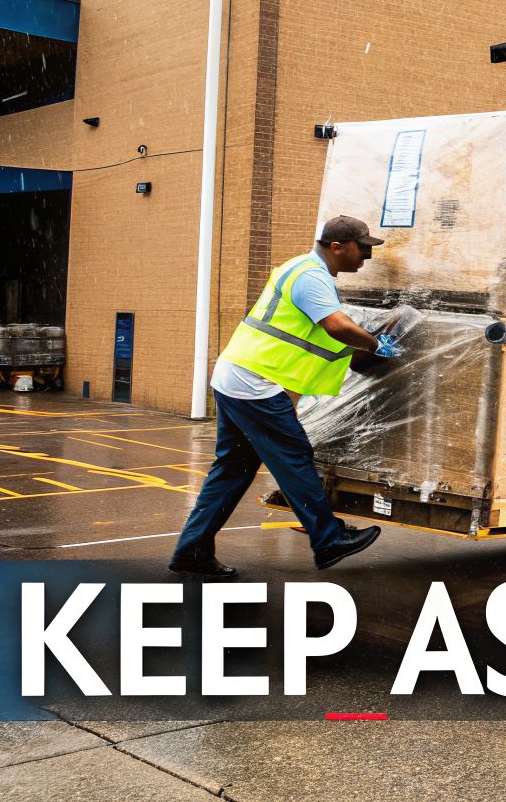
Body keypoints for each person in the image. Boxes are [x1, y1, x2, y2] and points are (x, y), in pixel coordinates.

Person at [169, 216, 402, 577]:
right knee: (294, 457)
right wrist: (375, 345)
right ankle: (328, 540)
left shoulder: (302, 269)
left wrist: (360, 351)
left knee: (232, 470)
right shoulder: (311, 276)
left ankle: (192, 552)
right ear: (336, 247)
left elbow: (316, 337)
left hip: (238, 377)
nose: (366, 257)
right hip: (255, 384)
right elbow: (336, 326)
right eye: (362, 249)